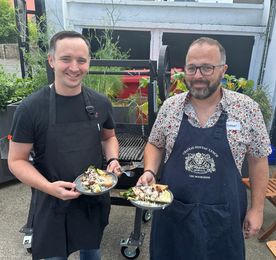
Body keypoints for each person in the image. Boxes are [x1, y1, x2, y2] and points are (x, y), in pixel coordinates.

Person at [137, 37, 271, 260]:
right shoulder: (171, 107)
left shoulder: (246, 109)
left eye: (207, 68)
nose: (198, 76)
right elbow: (155, 143)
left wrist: (256, 210)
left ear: (223, 69)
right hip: (173, 215)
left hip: (223, 219)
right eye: (192, 68)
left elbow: (258, 160)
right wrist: (149, 171)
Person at [8, 30, 122, 260]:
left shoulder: (100, 102)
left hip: (92, 200)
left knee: (92, 252)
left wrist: (113, 159)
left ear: (89, 62)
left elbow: (109, 137)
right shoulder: (30, 109)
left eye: (81, 60)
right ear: (51, 60)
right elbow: (16, 160)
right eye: (66, 59)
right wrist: (49, 187)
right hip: (51, 202)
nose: (74, 67)